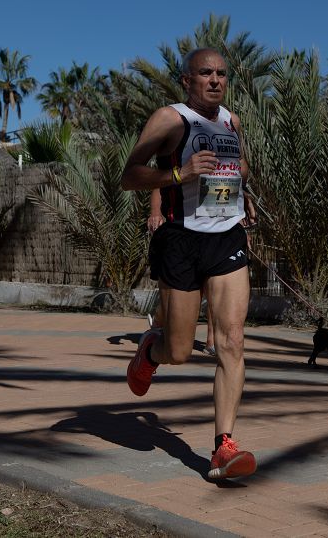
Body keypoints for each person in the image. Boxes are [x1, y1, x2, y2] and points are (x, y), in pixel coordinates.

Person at [122, 47, 258, 481]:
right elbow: (130, 175)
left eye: (221, 73)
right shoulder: (169, 119)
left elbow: (237, 167)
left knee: (231, 342)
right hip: (180, 241)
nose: (215, 80)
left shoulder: (232, 121)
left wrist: (244, 197)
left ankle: (224, 448)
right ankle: (151, 349)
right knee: (179, 350)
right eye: (205, 73)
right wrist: (179, 175)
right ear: (187, 79)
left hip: (226, 239)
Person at [148, 188, 216, 356]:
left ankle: (212, 341)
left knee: (214, 291)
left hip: (217, 235)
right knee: (177, 351)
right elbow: (159, 182)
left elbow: (236, 179)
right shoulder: (178, 163)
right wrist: (155, 212)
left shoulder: (227, 163)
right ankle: (158, 323)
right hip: (181, 233)